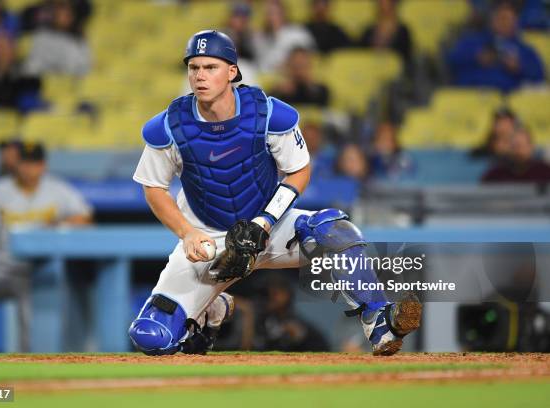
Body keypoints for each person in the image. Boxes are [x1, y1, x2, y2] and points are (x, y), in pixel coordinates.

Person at [129, 30, 421, 356]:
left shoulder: (268, 113)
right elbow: (153, 188)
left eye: (210, 67)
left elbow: (299, 170)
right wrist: (187, 233)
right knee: (151, 337)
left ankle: (377, 318)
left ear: (232, 72)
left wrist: (264, 222)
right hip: (208, 239)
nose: (200, 75)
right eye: (194, 67)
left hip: (270, 228)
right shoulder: (170, 124)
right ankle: (212, 310)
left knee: (337, 231)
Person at [0, 142, 92, 353]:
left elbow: (85, 217)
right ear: (17, 165)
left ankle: (28, 358)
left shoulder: (57, 189)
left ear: (43, 166)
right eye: (25, 163)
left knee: (34, 321)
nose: (29, 168)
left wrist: (59, 223)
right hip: (1, 270)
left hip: (36, 273)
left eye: (35, 163)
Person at [447, 0, 545, 93]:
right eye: (501, 18)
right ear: (492, 20)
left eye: (509, 19)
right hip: (472, 95)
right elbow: (452, 59)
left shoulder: (525, 50)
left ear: (516, 22)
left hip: (509, 98)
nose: (504, 23)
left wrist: (519, 67)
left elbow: (539, 75)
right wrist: (476, 57)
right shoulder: (472, 41)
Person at [253, 0, 316, 73]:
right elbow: (260, 63)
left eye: (275, 13)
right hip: (266, 77)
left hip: (290, 76)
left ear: (284, 14)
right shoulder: (260, 38)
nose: (271, 17)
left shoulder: (297, 32)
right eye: (269, 14)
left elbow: (310, 56)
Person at [481, 125, 550, 183]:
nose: (518, 150)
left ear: (531, 147)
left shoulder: (545, 172)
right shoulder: (495, 175)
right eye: (515, 146)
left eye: (522, 146)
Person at [360, 0, 412, 68]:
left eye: (387, 3)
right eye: (380, 2)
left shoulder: (403, 31)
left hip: (395, 71)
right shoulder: (368, 31)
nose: (383, 5)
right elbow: (360, 53)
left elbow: (406, 57)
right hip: (370, 69)